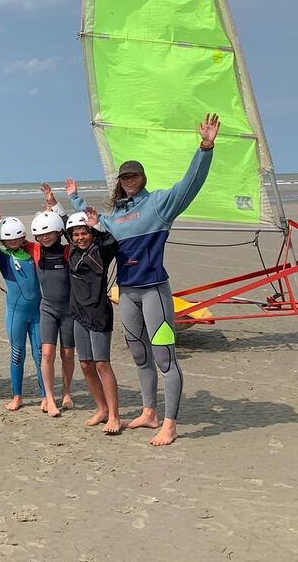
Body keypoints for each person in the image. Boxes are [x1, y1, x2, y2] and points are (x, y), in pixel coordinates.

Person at [67, 113, 220, 446]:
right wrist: (74, 199)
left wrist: (205, 149)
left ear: (143, 177)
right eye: (124, 176)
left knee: (164, 357)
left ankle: (170, 423)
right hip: (127, 294)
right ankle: (149, 412)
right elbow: (94, 224)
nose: (129, 180)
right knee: (139, 355)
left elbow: (190, 184)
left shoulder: (160, 204)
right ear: (120, 181)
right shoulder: (116, 216)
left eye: (134, 175)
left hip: (154, 292)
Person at [0, 206, 46, 411]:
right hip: (16, 315)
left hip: (37, 314)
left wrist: (49, 213)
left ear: (23, 237)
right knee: (17, 354)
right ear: (3, 240)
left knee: (40, 355)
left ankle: (46, 396)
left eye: (17, 238)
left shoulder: (35, 253)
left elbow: (52, 241)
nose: (13, 241)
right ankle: (17, 396)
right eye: (9, 239)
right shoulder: (4, 258)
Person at [65, 208, 121, 434]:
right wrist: (53, 203)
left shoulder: (100, 252)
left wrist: (97, 226)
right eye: (76, 234)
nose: (80, 238)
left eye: (84, 233)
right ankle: (102, 409)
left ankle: (114, 416)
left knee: (102, 364)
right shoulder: (71, 251)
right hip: (79, 315)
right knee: (86, 365)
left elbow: (111, 243)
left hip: (98, 314)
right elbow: (62, 227)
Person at [31, 183, 76, 418]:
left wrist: (54, 204)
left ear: (58, 231)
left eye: (49, 233)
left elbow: (72, 230)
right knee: (47, 353)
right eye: (41, 234)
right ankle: (49, 397)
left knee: (67, 354)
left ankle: (66, 392)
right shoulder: (35, 250)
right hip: (47, 309)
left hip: (69, 310)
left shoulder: (69, 251)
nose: (45, 237)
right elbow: (11, 241)